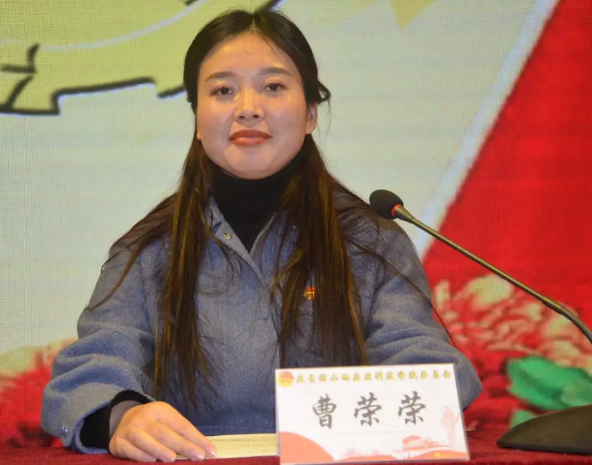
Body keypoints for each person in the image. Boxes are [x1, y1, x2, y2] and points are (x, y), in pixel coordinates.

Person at [41, 7, 482, 463]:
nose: (248, 107)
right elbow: (90, 372)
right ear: (197, 119)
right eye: (222, 90)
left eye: (273, 87)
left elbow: (423, 368)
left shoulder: (371, 241)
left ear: (310, 113)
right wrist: (123, 416)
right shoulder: (149, 248)